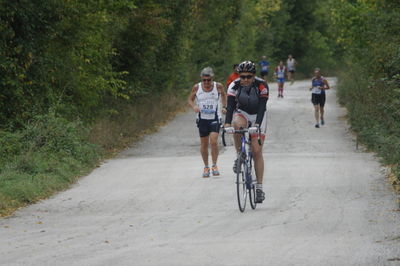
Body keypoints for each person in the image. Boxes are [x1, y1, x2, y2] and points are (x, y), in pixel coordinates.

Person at [224, 61, 269, 203]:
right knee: (236, 125)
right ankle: (240, 155)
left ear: (254, 76)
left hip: (258, 115)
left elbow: (262, 107)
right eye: (242, 76)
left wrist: (256, 125)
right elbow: (230, 107)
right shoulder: (234, 85)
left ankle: (260, 188)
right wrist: (226, 124)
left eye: (249, 77)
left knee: (256, 150)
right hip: (242, 112)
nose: (245, 80)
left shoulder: (262, 85)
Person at [188, 67, 227, 177]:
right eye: (204, 80)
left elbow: (224, 95)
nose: (206, 82)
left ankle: (214, 165)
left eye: (208, 80)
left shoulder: (218, 86)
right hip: (202, 119)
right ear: (201, 79)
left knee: (213, 141)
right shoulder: (197, 87)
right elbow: (189, 99)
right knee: (204, 144)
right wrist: (194, 106)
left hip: (215, 118)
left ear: (212, 78)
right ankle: (206, 167)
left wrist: (224, 106)